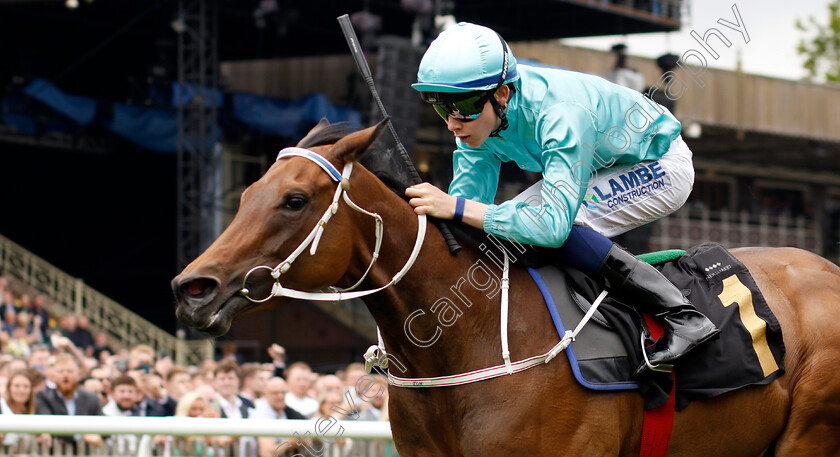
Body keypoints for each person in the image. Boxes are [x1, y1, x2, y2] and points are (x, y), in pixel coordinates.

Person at [406, 22, 719, 376]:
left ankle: (683, 317)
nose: (452, 122)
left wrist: (458, 207)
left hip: (660, 163)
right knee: (509, 223)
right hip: (604, 165)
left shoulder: (560, 114)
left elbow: (552, 227)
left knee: (553, 223)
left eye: (461, 105)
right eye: (440, 107)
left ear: (503, 94)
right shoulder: (478, 120)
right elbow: (462, 218)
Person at [34, 353, 104, 448]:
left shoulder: (91, 398)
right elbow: (46, 421)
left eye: (70, 371)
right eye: (61, 371)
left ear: (78, 375)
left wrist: (97, 436)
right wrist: (84, 433)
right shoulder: (43, 396)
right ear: (54, 375)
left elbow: (104, 427)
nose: (65, 375)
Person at [0, 369, 51, 448]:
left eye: (26, 386)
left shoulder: (37, 409)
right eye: (17, 386)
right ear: (9, 388)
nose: (21, 390)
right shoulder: (2, 406)